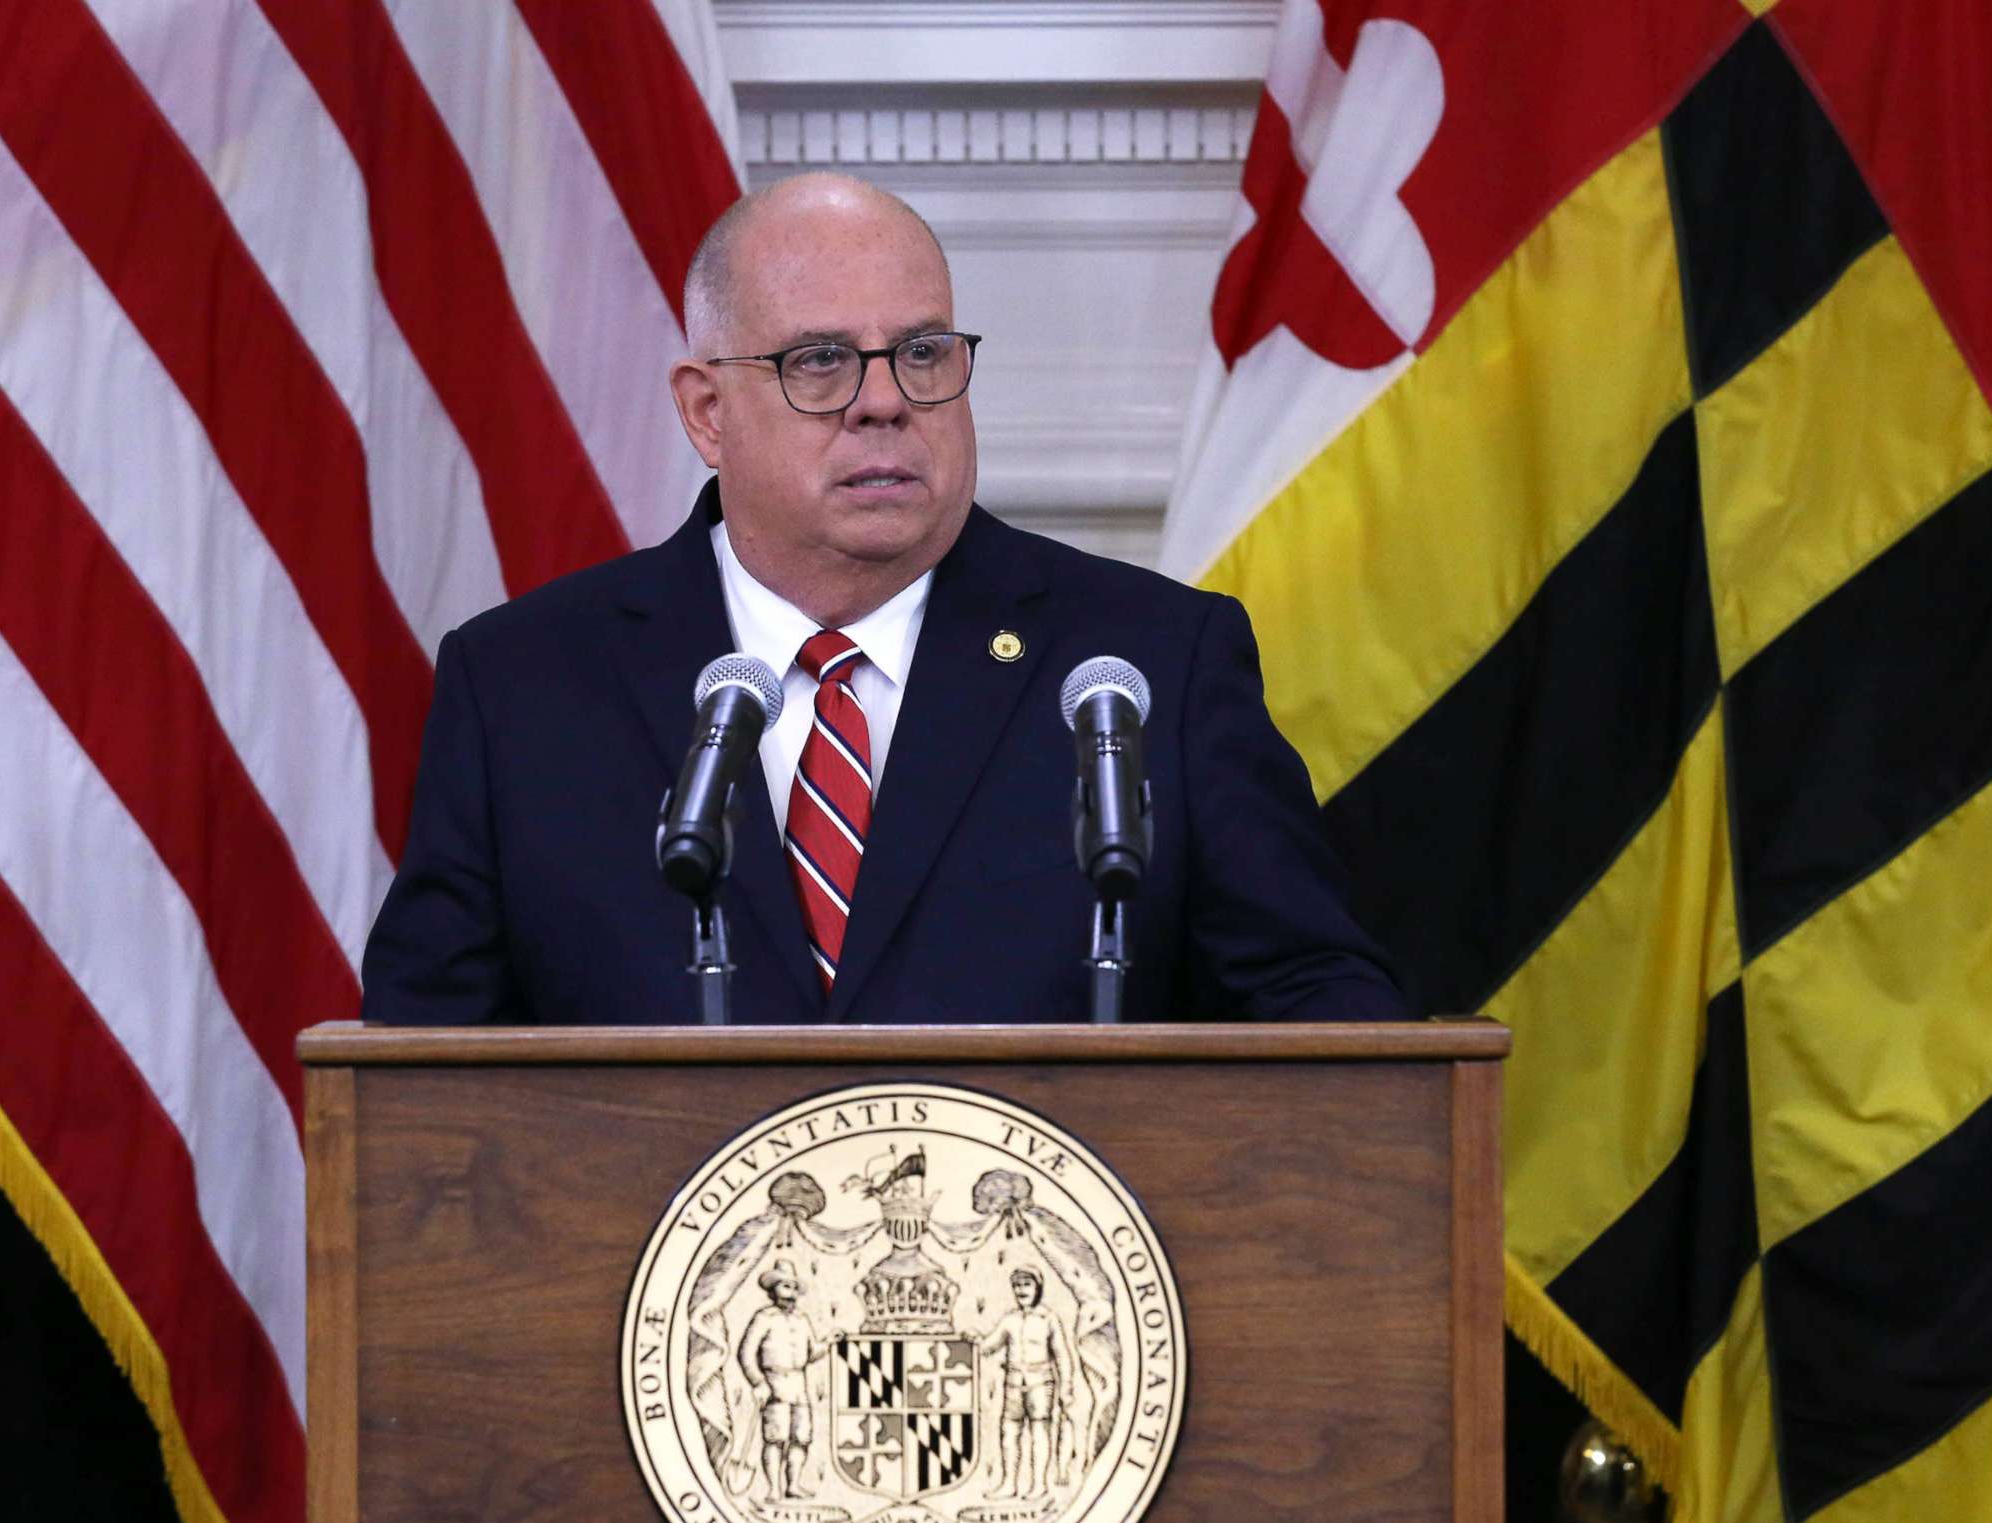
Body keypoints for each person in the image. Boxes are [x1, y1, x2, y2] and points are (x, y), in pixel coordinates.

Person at [361, 172, 1400, 1025]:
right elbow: (419, 1082)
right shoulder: (526, 689)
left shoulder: (1143, 667)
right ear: (708, 414)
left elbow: (1322, 1015)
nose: (886, 402)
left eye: (921, 352)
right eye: (820, 362)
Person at [981, 1269, 1077, 1499]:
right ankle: (1009, 1484)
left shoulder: (1049, 1319)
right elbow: (988, 1346)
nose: (1022, 1290)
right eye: (1017, 1285)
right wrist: (975, 1339)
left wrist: (1066, 1387)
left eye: (1027, 1284)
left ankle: (1039, 1485)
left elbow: (1062, 1355)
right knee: (1009, 1432)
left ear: (1037, 1288)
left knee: (1039, 1433)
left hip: (1041, 1383)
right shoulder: (1009, 1320)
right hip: (1013, 1383)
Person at [733, 1261, 817, 1500]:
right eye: (785, 1286)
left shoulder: (802, 1319)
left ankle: (794, 1485)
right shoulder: (763, 1318)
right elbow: (746, 1353)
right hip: (774, 1384)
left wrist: (829, 1342)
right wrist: (758, 1381)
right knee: (776, 1438)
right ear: (773, 1290)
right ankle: (773, 1489)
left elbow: (811, 1353)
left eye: (793, 1287)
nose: (790, 1293)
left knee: (801, 1438)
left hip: (799, 1386)